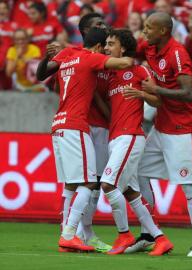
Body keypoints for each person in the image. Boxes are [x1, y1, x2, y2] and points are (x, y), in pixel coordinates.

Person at [44, 27, 133, 252]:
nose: (105, 50)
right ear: (97, 47)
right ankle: (68, 234)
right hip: (76, 125)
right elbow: (122, 64)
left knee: (72, 183)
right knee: (90, 182)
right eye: (104, 46)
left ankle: (67, 235)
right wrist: (128, 53)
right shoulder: (90, 58)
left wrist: (51, 55)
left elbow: (44, 72)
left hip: (58, 124)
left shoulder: (68, 55)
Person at [125, 12, 192, 257]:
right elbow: (129, 50)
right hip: (161, 127)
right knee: (138, 172)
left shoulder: (177, 53)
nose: (144, 31)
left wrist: (155, 89)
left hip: (183, 129)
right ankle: (149, 233)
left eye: (149, 27)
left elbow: (188, 93)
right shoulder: (150, 48)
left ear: (163, 31)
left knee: (188, 186)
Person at [37, 13, 112, 253]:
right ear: (86, 31)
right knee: (89, 182)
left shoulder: (73, 54)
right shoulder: (81, 56)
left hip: (87, 124)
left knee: (88, 183)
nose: (103, 27)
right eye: (98, 26)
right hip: (79, 125)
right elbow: (44, 76)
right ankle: (73, 233)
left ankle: (79, 233)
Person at [100, 28, 173, 256]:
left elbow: (158, 101)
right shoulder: (110, 74)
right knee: (131, 192)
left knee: (108, 185)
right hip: (115, 137)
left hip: (131, 135)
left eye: (111, 44)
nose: (106, 47)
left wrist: (142, 95)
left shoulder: (139, 70)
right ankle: (161, 239)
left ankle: (124, 234)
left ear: (123, 47)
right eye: (106, 44)